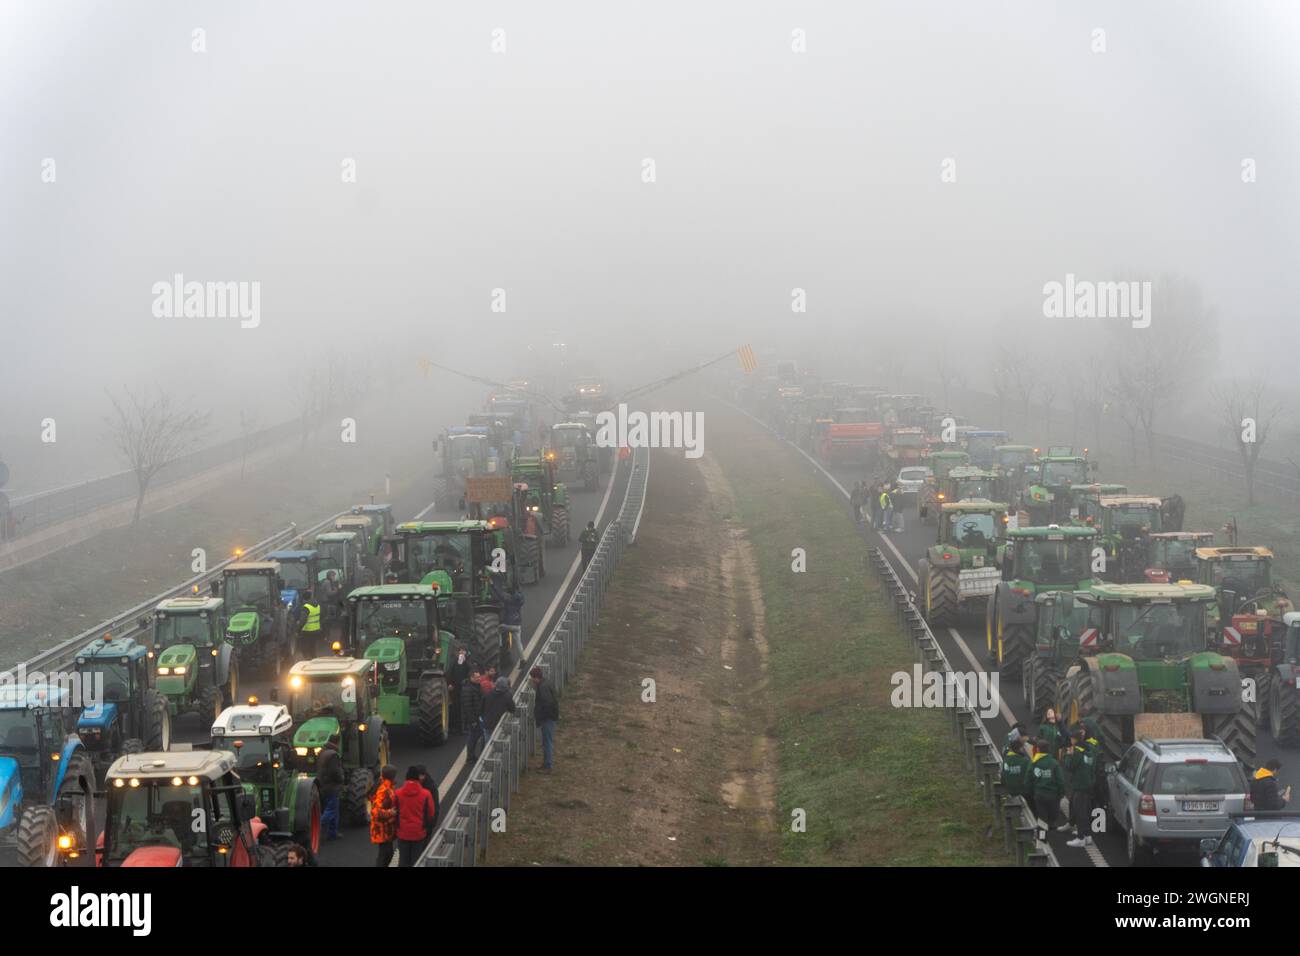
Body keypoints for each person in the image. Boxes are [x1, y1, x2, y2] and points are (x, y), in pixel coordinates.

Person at [392, 766, 436, 867]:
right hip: (419, 833)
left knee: (403, 860)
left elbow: (393, 810)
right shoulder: (426, 794)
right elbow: (431, 813)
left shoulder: (398, 793)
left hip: (402, 832)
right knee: (416, 861)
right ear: (418, 779)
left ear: (406, 778)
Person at [1063, 726, 1096, 848]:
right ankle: (1087, 836)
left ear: (1074, 740)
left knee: (1080, 812)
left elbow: (1069, 766)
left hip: (1080, 786)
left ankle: (1080, 838)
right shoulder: (1089, 752)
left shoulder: (1076, 752)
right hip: (1088, 786)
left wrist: (1068, 755)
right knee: (1085, 811)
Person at [1027, 737, 1066, 836]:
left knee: (1042, 818)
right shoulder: (1054, 763)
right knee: (1054, 813)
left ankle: (1042, 838)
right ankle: (1051, 824)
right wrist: (1061, 793)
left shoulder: (1034, 762)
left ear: (1038, 749)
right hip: (1053, 796)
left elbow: (1028, 780)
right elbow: (1060, 781)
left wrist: (1033, 792)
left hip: (1039, 795)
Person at [316, 734, 345, 840]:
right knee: (331, 809)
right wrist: (341, 778)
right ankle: (317, 825)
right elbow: (335, 771)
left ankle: (333, 833)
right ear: (338, 742)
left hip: (323, 784)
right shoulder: (333, 755)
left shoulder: (322, 752)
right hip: (332, 786)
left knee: (334, 810)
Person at [491, 576, 524, 667]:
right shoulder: (520, 600)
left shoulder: (508, 600)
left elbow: (499, 594)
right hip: (517, 625)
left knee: (498, 630)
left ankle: (500, 646)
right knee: (518, 642)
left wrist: (492, 584)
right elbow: (520, 595)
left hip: (508, 624)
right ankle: (522, 659)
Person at [531, 666, 559, 771]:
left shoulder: (542, 687)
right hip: (550, 717)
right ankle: (546, 763)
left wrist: (541, 718)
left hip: (547, 719)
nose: (532, 680)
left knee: (547, 742)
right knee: (546, 741)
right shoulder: (546, 683)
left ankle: (548, 765)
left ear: (536, 677)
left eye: (532, 678)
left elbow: (547, 704)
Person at [370, 765, 398, 867]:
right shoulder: (384, 790)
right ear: (391, 777)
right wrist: (391, 812)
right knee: (384, 856)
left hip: (385, 830)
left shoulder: (387, 787)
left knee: (388, 855)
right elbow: (376, 812)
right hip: (382, 831)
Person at [1000, 732, 1030, 799]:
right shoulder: (1025, 761)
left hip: (1010, 791)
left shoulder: (1006, 760)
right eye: (1022, 747)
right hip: (1023, 792)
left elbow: (1002, 778)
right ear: (1019, 748)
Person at [461, 665, 485, 738]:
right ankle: (471, 749)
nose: (479, 679)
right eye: (477, 677)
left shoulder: (477, 686)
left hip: (478, 717)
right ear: (471, 677)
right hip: (473, 719)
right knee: (473, 737)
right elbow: (468, 707)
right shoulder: (467, 689)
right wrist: (473, 721)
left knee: (477, 735)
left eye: (479, 677)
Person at [299, 590, 321, 657]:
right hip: (316, 630)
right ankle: (313, 659)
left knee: (305, 647)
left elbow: (303, 620)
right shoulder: (317, 605)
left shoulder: (306, 607)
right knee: (313, 646)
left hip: (307, 631)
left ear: (304, 598)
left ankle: (307, 660)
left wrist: (298, 629)